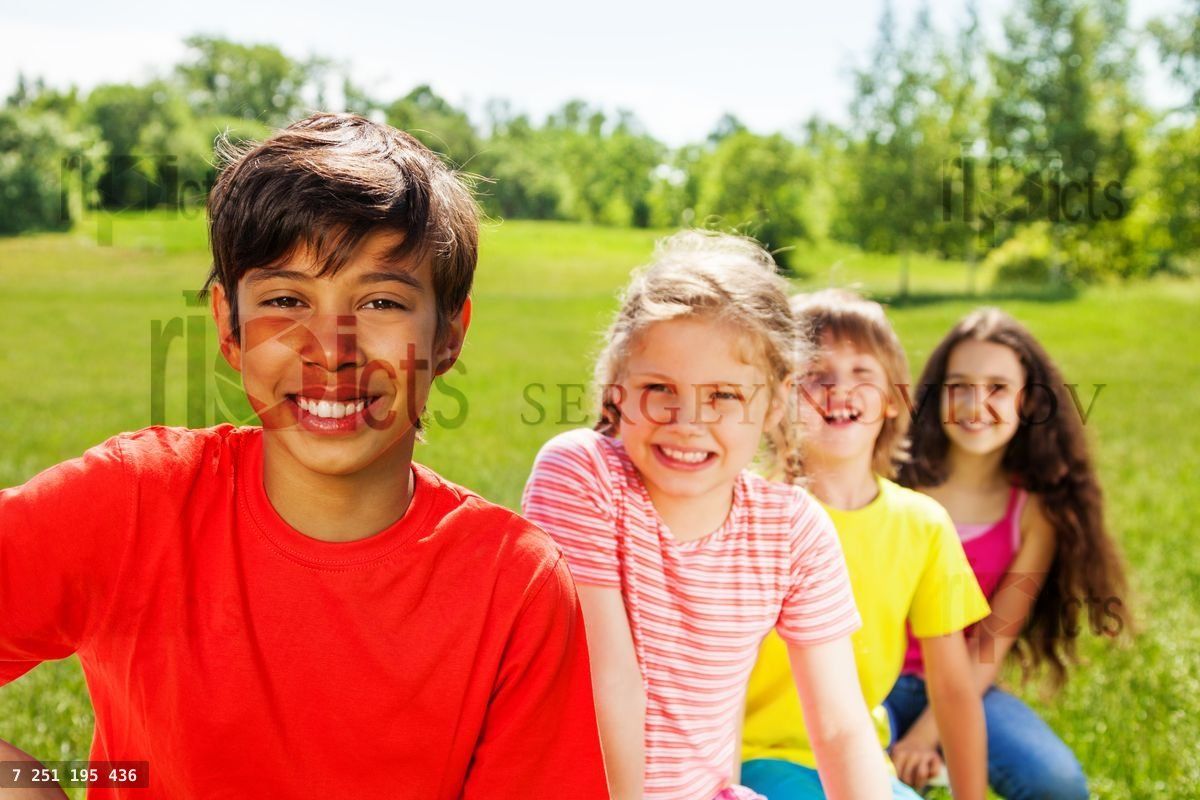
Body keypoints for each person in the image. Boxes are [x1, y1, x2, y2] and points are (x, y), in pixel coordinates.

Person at [0, 113, 608, 800]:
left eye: (380, 300)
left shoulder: (513, 586)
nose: (331, 346)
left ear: (449, 334)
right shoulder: (134, 501)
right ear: (229, 326)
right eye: (287, 300)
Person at [522, 232, 892, 800]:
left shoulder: (793, 531)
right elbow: (606, 683)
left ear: (773, 404)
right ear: (616, 389)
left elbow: (841, 728)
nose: (687, 421)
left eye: (723, 395)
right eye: (658, 388)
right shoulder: (583, 475)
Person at [740, 289, 989, 800]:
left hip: (861, 759)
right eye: (817, 376)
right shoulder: (746, 511)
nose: (839, 390)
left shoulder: (923, 524)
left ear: (894, 397)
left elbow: (953, 689)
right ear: (780, 396)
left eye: (862, 374)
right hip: (748, 757)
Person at [883, 307, 1128, 799]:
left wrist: (928, 734)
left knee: (1056, 782)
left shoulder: (1035, 512)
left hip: (966, 684)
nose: (976, 405)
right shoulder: (892, 481)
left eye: (997, 387)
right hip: (872, 682)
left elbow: (993, 640)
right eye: (959, 386)